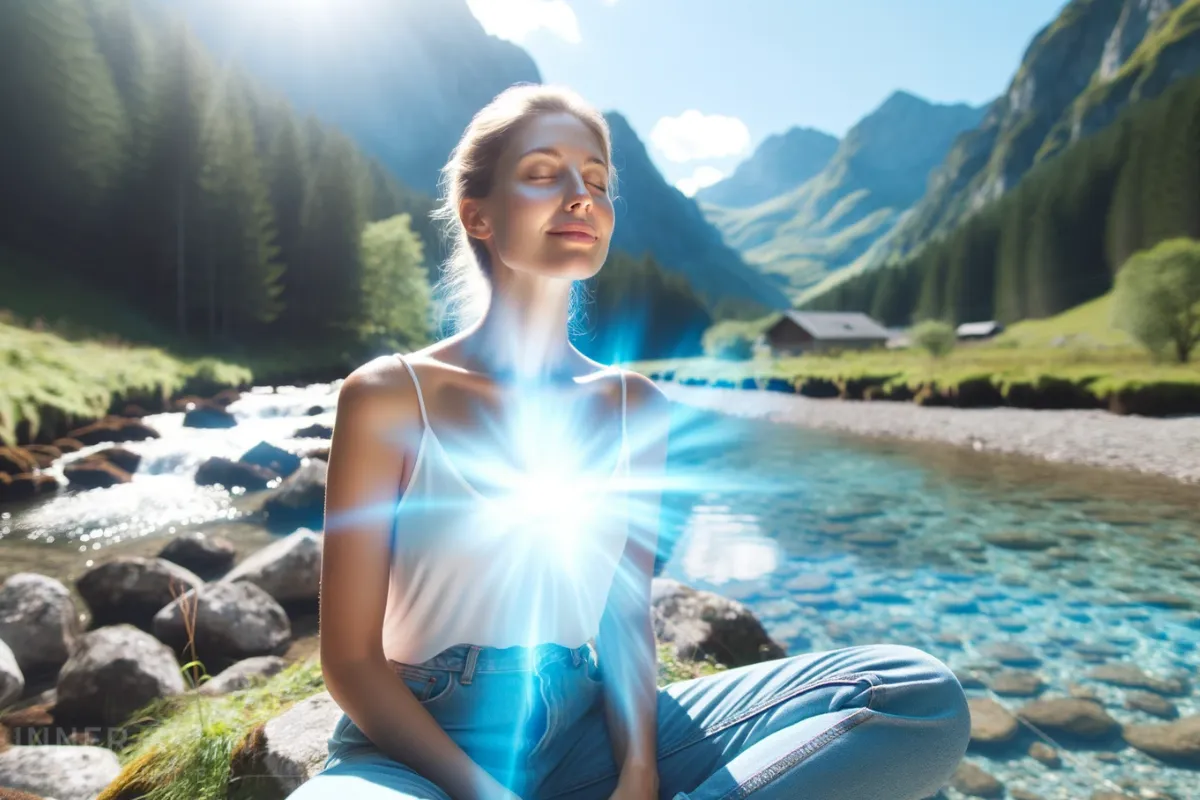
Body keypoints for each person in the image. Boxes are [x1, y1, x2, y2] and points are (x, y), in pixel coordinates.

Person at [288, 84, 970, 800]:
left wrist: (639, 772)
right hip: (420, 748)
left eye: (598, 180)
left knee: (916, 698)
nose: (581, 196)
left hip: (587, 732)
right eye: (545, 173)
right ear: (478, 214)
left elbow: (623, 614)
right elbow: (353, 662)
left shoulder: (636, 405)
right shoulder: (388, 395)